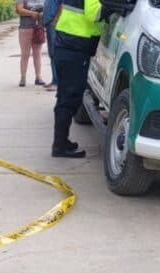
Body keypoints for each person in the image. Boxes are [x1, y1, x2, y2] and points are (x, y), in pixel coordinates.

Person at [51, 0, 105, 158]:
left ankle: (61, 141)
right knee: (69, 98)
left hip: (68, 44)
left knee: (65, 96)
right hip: (74, 46)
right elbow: (94, 12)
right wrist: (114, 6)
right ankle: (60, 146)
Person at [15, 1, 47, 87]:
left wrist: (41, 14)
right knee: (25, 54)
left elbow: (48, 9)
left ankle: (38, 77)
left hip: (38, 28)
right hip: (25, 28)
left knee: (38, 54)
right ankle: (23, 78)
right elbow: (19, 10)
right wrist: (32, 13)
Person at [42, 0, 61, 91]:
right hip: (50, 24)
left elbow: (62, 5)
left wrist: (55, 20)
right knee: (52, 53)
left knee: (54, 53)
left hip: (54, 24)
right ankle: (54, 80)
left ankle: (56, 82)